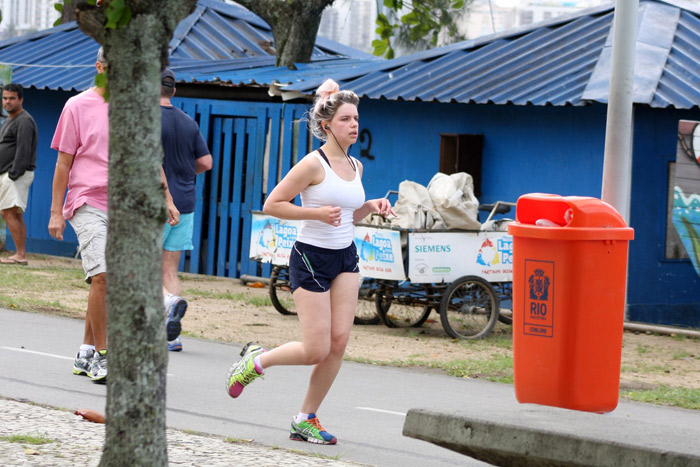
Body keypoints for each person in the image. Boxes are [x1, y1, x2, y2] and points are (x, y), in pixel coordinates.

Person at [225, 79, 395, 445]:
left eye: (356, 118)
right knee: (315, 348)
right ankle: (256, 361)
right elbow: (273, 204)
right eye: (346, 119)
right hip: (311, 258)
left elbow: (348, 216)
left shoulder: (356, 165)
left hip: (346, 257)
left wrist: (373, 205)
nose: (354, 125)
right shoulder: (311, 164)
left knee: (338, 343)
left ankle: (306, 417)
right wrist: (315, 214)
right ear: (326, 126)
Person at [159, 68, 212, 352]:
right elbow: (206, 162)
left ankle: (168, 304)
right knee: (169, 269)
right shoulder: (189, 122)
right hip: (185, 203)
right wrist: (183, 171)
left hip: (155, 202)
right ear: (174, 90)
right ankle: (172, 336)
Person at [0, 83, 38, 266]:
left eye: (12, 98)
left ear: (20, 99)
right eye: (5, 98)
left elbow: (23, 150)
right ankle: (20, 253)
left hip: (16, 174)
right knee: (14, 213)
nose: (7, 102)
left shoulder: (24, 120)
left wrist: (13, 174)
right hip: (11, 174)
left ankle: (20, 255)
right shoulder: (11, 119)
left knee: (7, 212)